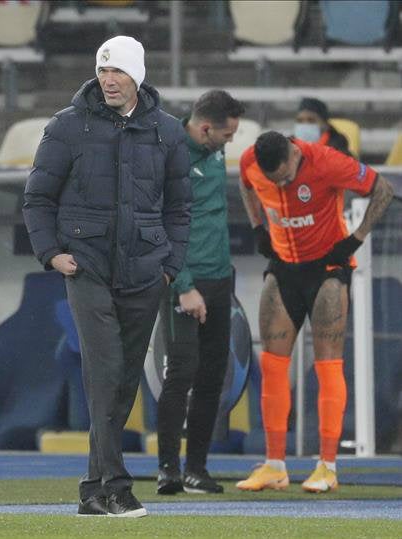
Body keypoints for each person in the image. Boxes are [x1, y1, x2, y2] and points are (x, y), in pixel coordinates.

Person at [23, 35, 190, 517]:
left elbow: (181, 208)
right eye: (102, 72)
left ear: (137, 75)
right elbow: (37, 197)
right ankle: (117, 486)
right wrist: (50, 253)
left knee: (122, 382)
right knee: (106, 371)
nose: (109, 80)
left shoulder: (169, 131)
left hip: (145, 271)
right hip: (87, 267)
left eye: (117, 72)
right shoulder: (67, 127)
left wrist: (170, 266)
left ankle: (93, 490)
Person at [236, 131, 394, 492]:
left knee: (327, 364)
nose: (284, 184)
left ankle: (327, 466)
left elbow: (382, 189)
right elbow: (246, 186)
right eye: (275, 182)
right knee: (272, 363)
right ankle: (275, 465)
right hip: (284, 267)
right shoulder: (249, 162)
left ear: (293, 154)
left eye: (287, 178)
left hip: (326, 269)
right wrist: (259, 226)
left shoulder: (327, 162)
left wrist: (356, 238)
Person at [155, 90, 245, 496]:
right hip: (183, 282)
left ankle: (196, 468)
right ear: (205, 128)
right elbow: (160, 224)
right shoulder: (169, 152)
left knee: (212, 376)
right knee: (181, 373)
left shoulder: (214, 149)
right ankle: (168, 470)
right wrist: (185, 285)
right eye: (226, 136)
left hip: (220, 278)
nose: (229, 143)